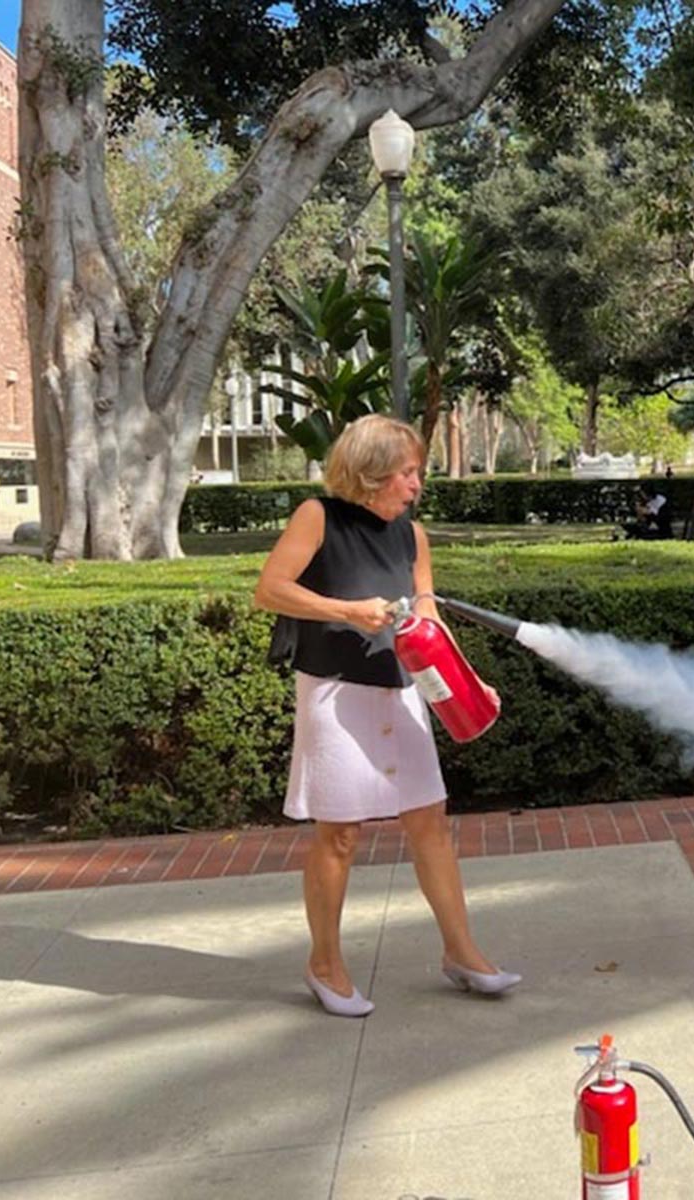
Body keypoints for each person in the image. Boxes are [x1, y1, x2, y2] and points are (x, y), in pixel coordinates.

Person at [254, 414, 517, 1018]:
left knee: (430, 821)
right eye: (407, 472)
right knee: (340, 834)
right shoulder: (317, 517)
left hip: (401, 690)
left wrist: (469, 680)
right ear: (370, 473)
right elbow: (269, 589)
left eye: (417, 472)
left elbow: (429, 618)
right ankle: (324, 965)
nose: (416, 483)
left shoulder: (412, 536)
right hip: (335, 692)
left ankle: (462, 953)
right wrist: (346, 611)